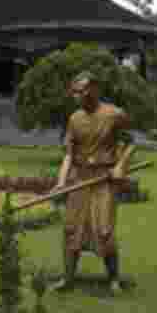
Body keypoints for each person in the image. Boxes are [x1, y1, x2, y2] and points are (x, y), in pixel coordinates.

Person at [50, 71, 137, 295]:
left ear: (95, 89)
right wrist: (61, 182)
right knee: (71, 228)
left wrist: (120, 166)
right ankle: (68, 278)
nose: (77, 96)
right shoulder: (74, 119)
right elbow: (69, 155)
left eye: (82, 91)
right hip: (80, 178)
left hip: (103, 179)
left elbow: (131, 143)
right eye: (75, 92)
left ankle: (114, 278)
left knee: (104, 230)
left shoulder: (114, 114)